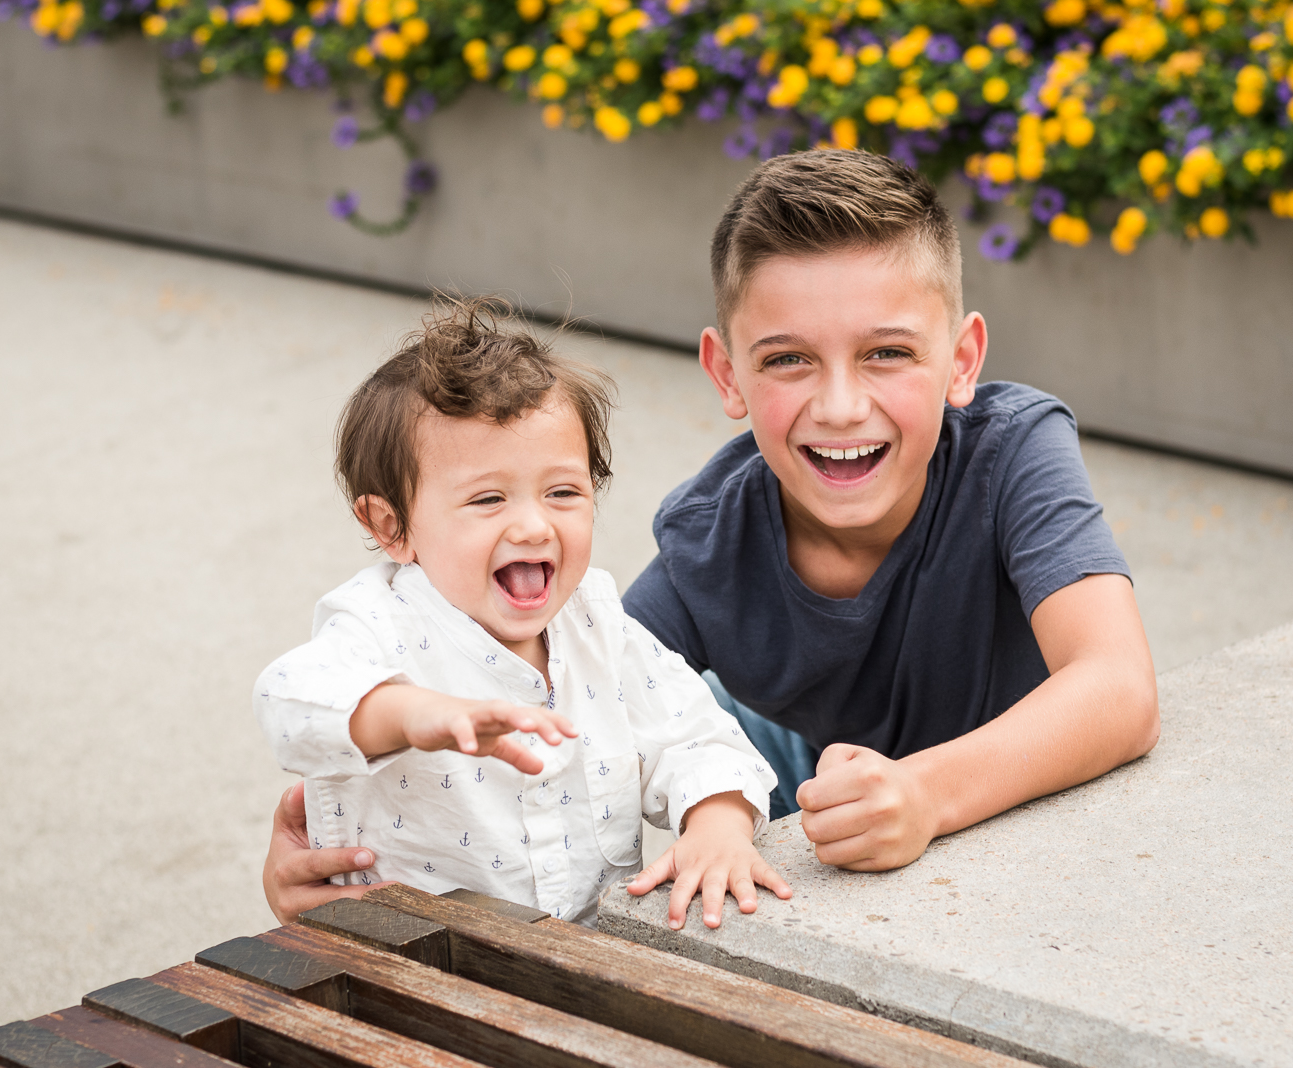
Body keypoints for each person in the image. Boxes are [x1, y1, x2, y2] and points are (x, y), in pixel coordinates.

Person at [264, 149, 1158, 928]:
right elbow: (535, 706)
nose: (841, 404)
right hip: (821, 774)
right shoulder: (706, 546)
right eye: (787, 359)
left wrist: (924, 793)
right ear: (726, 373)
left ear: (962, 361)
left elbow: (1118, 689)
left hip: (1013, 793)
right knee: (664, 715)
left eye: (887, 353)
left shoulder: (1014, 450)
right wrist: (344, 826)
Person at [254, 298, 785, 928]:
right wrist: (415, 714)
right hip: (410, 968)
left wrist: (718, 826)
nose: (534, 525)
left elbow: (697, 738)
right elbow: (288, 702)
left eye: (563, 492)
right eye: (487, 499)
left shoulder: (599, 628)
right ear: (392, 525)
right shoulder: (378, 624)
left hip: (581, 966)